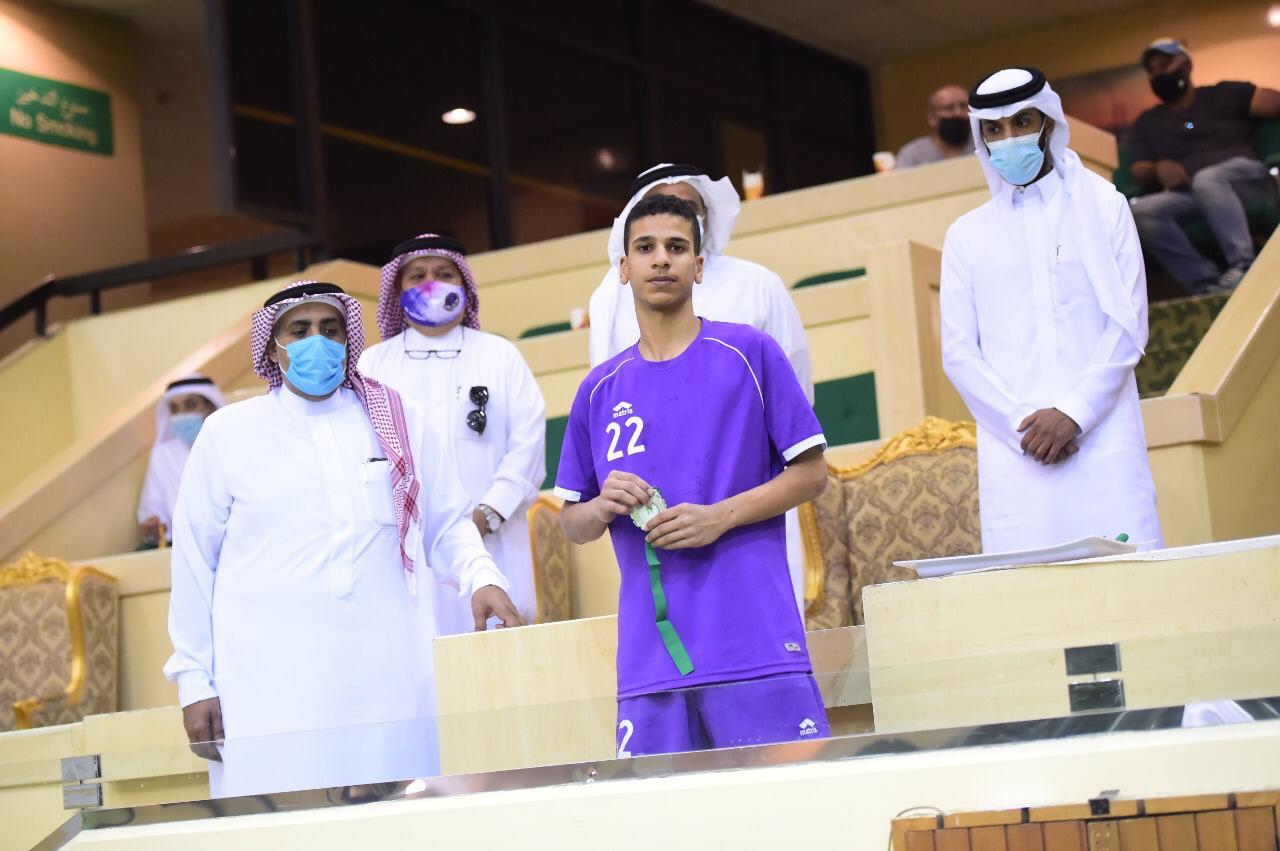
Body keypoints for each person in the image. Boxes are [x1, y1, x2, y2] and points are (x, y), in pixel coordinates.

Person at [164, 280, 523, 798]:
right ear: (272, 346)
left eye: (330, 329)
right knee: (280, 823)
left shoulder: (399, 419)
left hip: (386, 679)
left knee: (393, 818)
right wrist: (194, 683)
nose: (318, 341)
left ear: (348, 339)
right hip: (268, 685)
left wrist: (481, 578)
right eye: (300, 330)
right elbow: (194, 565)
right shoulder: (228, 434)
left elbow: (445, 521)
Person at [556, 193, 831, 757]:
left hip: (753, 641)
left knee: (787, 802)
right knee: (661, 809)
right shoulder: (598, 389)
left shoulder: (750, 352)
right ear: (623, 268)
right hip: (651, 659)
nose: (661, 259)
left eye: (676, 247)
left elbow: (811, 475)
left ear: (699, 265)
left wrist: (719, 518)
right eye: (645, 247)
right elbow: (573, 524)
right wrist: (601, 505)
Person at [940, 67, 1163, 555]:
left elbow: (1127, 326)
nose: (1009, 138)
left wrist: (1073, 413)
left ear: (1048, 123)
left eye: (1022, 122)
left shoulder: (1104, 206)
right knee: (1028, 593)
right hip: (1016, 453)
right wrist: (1025, 426)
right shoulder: (966, 236)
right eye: (994, 129)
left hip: (1102, 440)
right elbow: (959, 353)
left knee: (1128, 583)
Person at [587, 163, 814, 615]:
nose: (662, 256)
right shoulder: (607, 298)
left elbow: (798, 403)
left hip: (749, 506)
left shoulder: (759, 284)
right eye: (648, 239)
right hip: (655, 517)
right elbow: (607, 405)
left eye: (687, 210)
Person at [360, 234, 546, 631]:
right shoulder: (373, 365)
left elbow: (528, 446)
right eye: (417, 276)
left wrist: (488, 514)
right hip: (407, 550)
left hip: (495, 542)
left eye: (444, 274)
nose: (431, 283)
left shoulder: (499, 355)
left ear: (463, 283)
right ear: (398, 289)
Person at [1129, 38, 1280, 294]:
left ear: (1185, 64)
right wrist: (1158, 168)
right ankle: (1206, 284)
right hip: (1192, 192)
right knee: (1143, 211)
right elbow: (1139, 169)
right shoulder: (1149, 121)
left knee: (1207, 178)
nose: (1158, 74)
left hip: (1246, 181)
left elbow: (1273, 102)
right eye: (1152, 70)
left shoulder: (1223, 94)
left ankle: (1243, 266)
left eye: (1165, 65)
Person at [137, 375, 224, 547]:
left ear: (211, 406)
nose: (182, 414)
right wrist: (153, 522)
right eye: (174, 409)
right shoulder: (163, 453)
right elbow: (153, 506)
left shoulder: (230, 443)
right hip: (182, 544)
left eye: (190, 405)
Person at [895, 84, 973, 170]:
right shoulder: (912, 155)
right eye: (949, 108)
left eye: (963, 106)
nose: (958, 113)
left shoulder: (982, 145)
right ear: (932, 118)